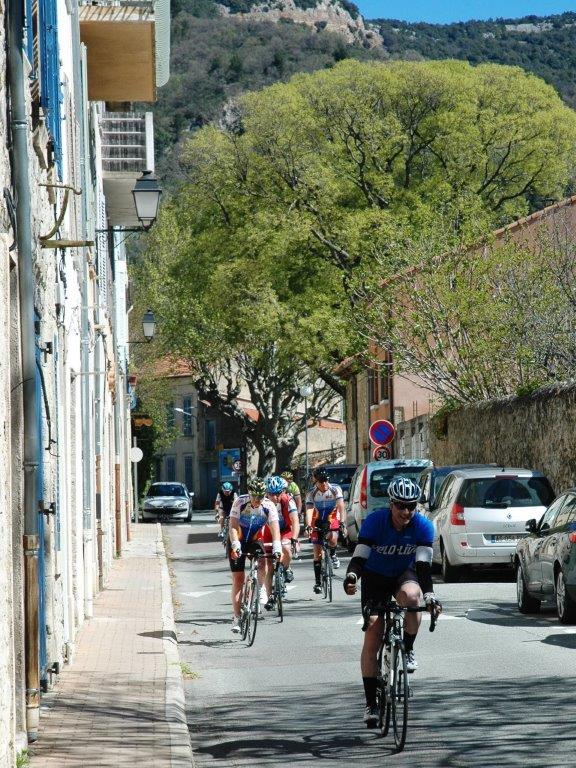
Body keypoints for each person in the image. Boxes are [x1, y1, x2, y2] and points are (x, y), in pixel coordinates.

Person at [343, 476, 441, 727]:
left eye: (411, 506)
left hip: (402, 574)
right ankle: (371, 703)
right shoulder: (375, 522)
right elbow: (360, 557)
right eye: (401, 506)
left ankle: (407, 648)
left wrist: (430, 595)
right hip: (374, 577)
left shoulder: (423, 526)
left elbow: (423, 567)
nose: (406, 512)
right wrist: (352, 577)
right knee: (373, 634)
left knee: (413, 597)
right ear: (391, 504)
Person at [228, 478, 282, 633]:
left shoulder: (269, 506)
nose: (257, 500)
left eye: (261, 496)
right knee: (238, 579)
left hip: (254, 539)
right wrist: (235, 544)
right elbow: (233, 526)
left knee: (263, 562)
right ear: (249, 493)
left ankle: (258, 590)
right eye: (255, 496)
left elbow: (275, 529)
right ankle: (237, 618)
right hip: (237, 538)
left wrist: (277, 546)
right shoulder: (240, 502)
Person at [262, 475, 300, 610]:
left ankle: (286, 567)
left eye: (278, 493)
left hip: (285, 530)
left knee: (286, 548)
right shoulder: (262, 502)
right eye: (272, 494)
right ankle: (270, 597)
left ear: (282, 492)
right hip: (268, 532)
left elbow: (295, 521)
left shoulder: (288, 500)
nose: (275, 497)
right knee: (268, 564)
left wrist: (294, 538)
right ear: (267, 493)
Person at [305, 467, 345, 593]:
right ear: (316, 481)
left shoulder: (335, 489)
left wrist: (342, 522)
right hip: (316, 520)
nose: (324, 484)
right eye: (321, 481)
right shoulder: (311, 493)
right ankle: (318, 582)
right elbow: (309, 510)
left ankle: (332, 553)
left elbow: (341, 506)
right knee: (317, 553)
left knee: (333, 537)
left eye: (326, 480)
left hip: (331, 518)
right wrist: (308, 525)